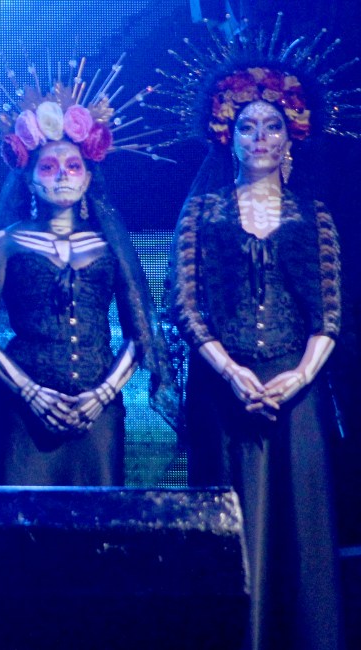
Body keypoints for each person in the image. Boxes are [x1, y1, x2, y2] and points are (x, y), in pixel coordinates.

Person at [162, 19, 349, 650]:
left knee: (303, 530)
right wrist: (233, 372)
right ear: (229, 135)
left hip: (298, 394)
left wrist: (298, 377)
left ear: (290, 136)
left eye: (272, 126)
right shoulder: (203, 210)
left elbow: (329, 311)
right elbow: (186, 303)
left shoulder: (312, 214)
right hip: (226, 392)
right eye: (249, 126)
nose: (261, 137)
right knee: (232, 527)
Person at [0, 60, 176, 486]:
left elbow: (140, 333)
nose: (62, 175)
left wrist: (103, 395)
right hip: (23, 414)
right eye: (48, 167)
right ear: (29, 180)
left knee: (97, 522)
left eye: (73, 166)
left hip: (97, 414)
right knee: (23, 521)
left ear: (87, 179)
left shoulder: (109, 246)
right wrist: (30, 393)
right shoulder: (3, 244)